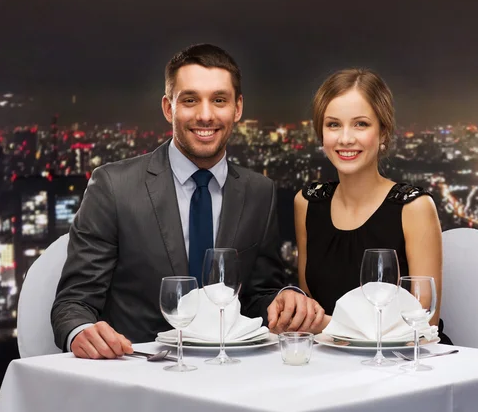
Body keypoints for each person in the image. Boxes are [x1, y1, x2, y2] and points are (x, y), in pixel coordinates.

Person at [51, 44, 325, 359]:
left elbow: (257, 296)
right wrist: (80, 331)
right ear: (169, 108)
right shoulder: (114, 186)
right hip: (140, 373)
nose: (205, 115)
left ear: (237, 109)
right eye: (190, 100)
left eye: (219, 100)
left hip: (232, 373)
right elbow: (73, 303)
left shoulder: (260, 191)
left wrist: (285, 298)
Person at [294, 68, 447, 338]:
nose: (345, 138)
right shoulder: (307, 203)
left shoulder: (414, 207)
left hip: (402, 364)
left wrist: (330, 328)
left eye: (360, 124)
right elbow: (309, 304)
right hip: (329, 360)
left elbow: (425, 322)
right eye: (333, 124)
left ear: (384, 132)